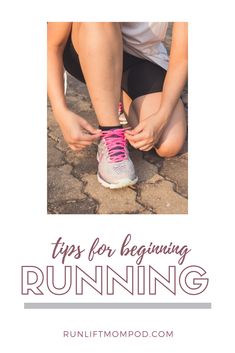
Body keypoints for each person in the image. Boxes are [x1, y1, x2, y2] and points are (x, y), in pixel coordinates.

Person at [47, 22, 187, 189]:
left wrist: (161, 116)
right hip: (89, 43)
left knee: (168, 144)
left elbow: (183, 57)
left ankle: (114, 98)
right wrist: (60, 111)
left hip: (141, 58)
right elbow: (51, 45)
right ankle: (110, 133)